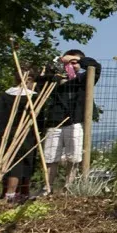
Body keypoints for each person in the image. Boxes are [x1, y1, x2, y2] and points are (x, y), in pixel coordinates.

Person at [38, 49, 101, 191]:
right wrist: (61, 60)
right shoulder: (55, 79)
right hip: (54, 122)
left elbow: (96, 67)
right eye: (69, 63)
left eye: (75, 63)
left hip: (75, 121)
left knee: (73, 157)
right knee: (51, 157)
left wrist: (75, 59)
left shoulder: (84, 79)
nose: (72, 65)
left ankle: (69, 186)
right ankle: (47, 187)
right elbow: (41, 78)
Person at [0, 67, 41, 202]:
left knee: (2, 163)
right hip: (25, 135)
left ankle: (3, 193)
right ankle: (12, 194)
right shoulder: (33, 97)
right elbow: (39, 119)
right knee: (20, 164)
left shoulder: (4, 96)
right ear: (29, 79)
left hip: (4, 134)